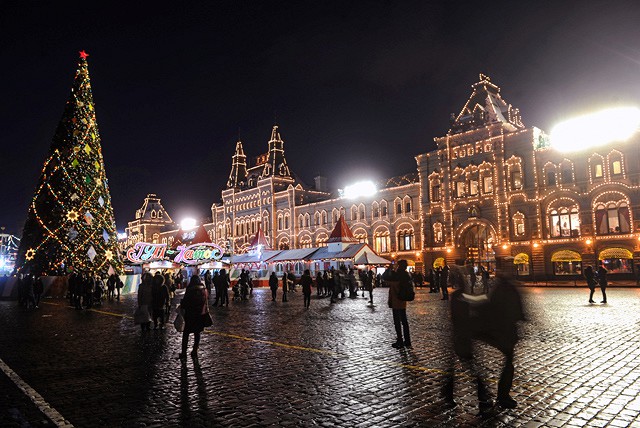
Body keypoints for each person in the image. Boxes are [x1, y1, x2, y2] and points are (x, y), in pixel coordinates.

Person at [446, 271, 525, 412]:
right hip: (497, 332)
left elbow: (485, 305)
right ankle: (494, 396)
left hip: (475, 333)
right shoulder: (506, 289)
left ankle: (482, 395)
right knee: (470, 366)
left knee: (466, 366)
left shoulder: (461, 296)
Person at [178, 275, 209, 360]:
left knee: (186, 333)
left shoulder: (190, 289)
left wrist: (182, 306)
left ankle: (184, 352)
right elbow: (205, 300)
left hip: (190, 313)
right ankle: (195, 350)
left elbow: (186, 301)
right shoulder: (203, 289)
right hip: (200, 313)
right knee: (197, 332)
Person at [388, 260, 412, 349]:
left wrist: (390, 269)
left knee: (397, 322)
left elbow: (386, 279)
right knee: (404, 321)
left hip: (396, 300)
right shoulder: (407, 275)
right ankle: (407, 340)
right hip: (403, 300)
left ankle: (400, 340)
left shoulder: (396, 275)